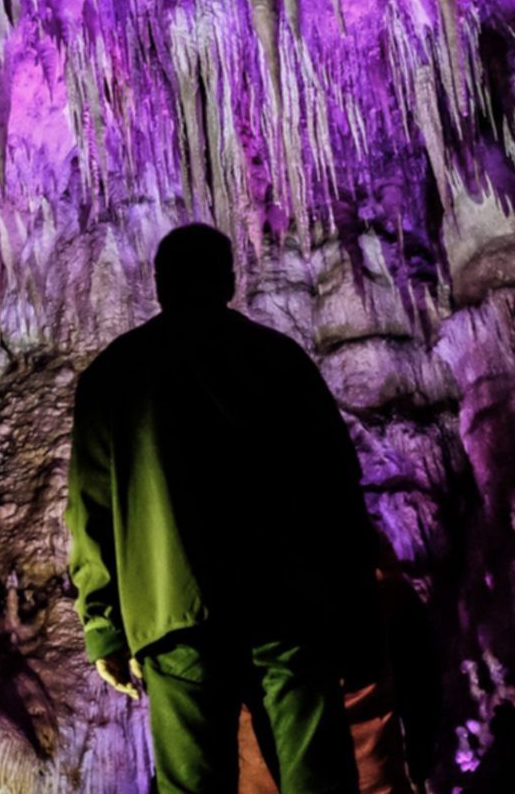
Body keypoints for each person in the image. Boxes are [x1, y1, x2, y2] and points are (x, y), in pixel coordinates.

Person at [65, 224, 382, 794]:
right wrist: (356, 604)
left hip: (173, 610)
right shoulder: (279, 361)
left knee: (192, 787)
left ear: (159, 285)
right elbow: (336, 487)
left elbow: (89, 511)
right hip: (286, 602)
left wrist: (104, 629)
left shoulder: (114, 375)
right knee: (318, 779)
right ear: (229, 280)